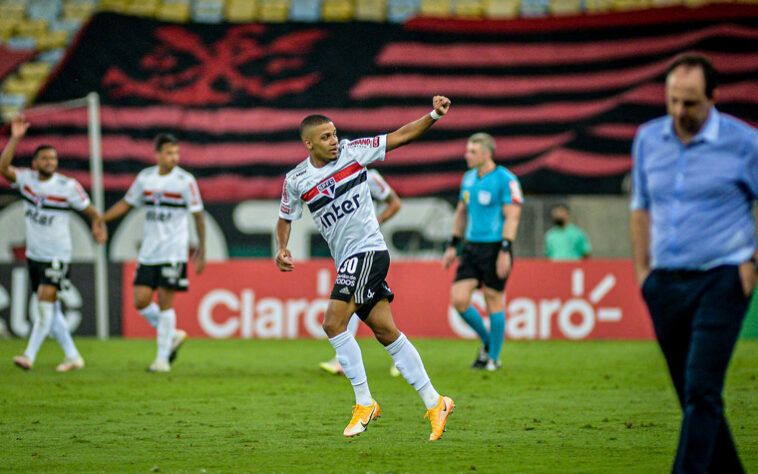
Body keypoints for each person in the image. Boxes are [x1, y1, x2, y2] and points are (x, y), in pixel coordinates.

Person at [276, 96, 454, 440]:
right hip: (347, 259)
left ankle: (364, 401)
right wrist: (282, 247)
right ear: (308, 143)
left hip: (369, 251)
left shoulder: (353, 152)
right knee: (387, 332)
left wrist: (433, 115)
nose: (334, 141)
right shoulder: (296, 179)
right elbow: (285, 218)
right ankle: (436, 402)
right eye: (326, 137)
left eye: (334, 134)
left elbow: (400, 136)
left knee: (332, 322)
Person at [630, 53, 758, 473]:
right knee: (693, 395)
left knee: (702, 389)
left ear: (713, 97)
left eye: (690, 102)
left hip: (723, 277)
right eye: (672, 101)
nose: (679, 111)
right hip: (664, 284)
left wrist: (752, 261)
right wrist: (643, 274)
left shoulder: (744, 142)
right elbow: (640, 207)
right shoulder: (648, 139)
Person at [0, 115, 106, 371]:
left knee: (45, 305)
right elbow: (4, 169)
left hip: (58, 254)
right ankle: (73, 356)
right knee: (52, 309)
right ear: (36, 162)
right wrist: (15, 139)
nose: (50, 162)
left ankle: (29, 355)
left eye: (53, 159)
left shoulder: (67, 186)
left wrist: (97, 224)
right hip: (35, 255)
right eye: (45, 159)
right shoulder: (27, 181)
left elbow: (90, 209)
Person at [97, 133, 205, 372]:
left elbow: (198, 215)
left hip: (173, 251)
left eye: (176, 153)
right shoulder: (145, 178)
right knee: (141, 300)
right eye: (169, 153)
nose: (174, 157)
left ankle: (162, 359)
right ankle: (173, 335)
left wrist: (202, 249)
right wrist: (101, 218)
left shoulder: (185, 181)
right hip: (149, 251)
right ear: (157, 154)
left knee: (166, 303)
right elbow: (127, 203)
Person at [442, 132, 522, 371]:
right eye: (467, 150)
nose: (467, 155)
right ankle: (488, 343)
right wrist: (452, 245)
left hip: (496, 247)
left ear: (487, 153)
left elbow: (512, 216)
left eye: (472, 151)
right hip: (471, 246)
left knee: (493, 299)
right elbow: (461, 213)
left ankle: (494, 359)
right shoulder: (467, 179)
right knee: (459, 299)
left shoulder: (506, 179)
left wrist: (505, 249)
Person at [319, 168, 403, 377]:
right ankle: (401, 360)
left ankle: (342, 359)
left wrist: (379, 220)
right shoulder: (335, 180)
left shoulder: (370, 176)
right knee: (374, 314)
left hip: (369, 250)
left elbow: (395, 203)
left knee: (348, 299)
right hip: (350, 251)